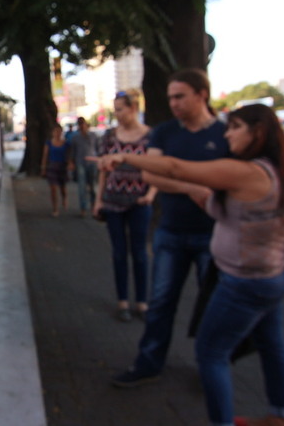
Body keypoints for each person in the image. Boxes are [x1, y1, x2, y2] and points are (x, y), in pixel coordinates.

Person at [100, 103, 284, 426]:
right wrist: (192, 190)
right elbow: (216, 202)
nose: (227, 135)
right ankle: (282, 416)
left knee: (211, 353)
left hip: (246, 282)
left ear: (258, 133)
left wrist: (125, 157)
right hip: (274, 274)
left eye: (235, 127)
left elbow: (175, 168)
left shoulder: (249, 172)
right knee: (272, 344)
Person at [110, 68, 230, 387]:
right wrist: (193, 188)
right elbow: (151, 175)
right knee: (161, 302)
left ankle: (211, 367)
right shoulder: (164, 133)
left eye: (180, 96)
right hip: (171, 232)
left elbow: (231, 178)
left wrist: (181, 179)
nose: (174, 103)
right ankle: (149, 362)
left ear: (202, 95)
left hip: (214, 235)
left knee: (212, 305)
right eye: (170, 98)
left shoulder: (225, 134)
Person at [93, 91, 156, 322]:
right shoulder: (110, 136)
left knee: (140, 253)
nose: (117, 114)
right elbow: (103, 170)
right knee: (119, 252)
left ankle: (142, 301)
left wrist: (150, 194)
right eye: (115, 109)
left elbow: (158, 167)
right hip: (113, 201)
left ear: (133, 108)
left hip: (139, 202)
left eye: (120, 109)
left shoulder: (150, 136)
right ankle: (122, 301)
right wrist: (99, 199)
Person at [68, 117, 99, 217]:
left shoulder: (93, 135)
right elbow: (73, 151)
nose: (82, 126)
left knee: (93, 185)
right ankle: (83, 207)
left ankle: (94, 204)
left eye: (83, 124)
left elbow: (98, 148)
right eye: (80, 124)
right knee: (82, 186)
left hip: (92, 163)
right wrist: (71, 162)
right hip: (80, 162)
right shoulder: (75, 138)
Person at [40, 122, 71, 217]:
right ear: (52, 132)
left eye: (59, 131)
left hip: (62, 167)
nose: (57, 133)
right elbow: (45, 155)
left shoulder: (65, 143)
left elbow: (69, 155)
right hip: (52, 166)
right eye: (55, 131)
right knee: (53, 189)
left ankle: (64, 198)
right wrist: (43, 167)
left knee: (62, 188)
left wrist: (70, 163)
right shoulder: (49, 143)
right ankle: (55, 208)